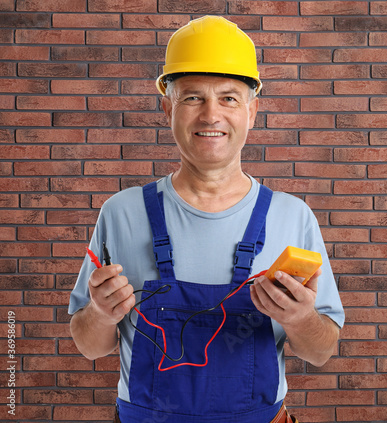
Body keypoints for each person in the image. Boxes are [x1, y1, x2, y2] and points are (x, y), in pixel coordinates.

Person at [67, 16, 344, 423]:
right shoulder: (121, 213)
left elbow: (320, 352)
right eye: (193, 97)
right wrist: (101, 314)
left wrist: (301, 319)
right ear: (168, 108)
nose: (211, 115)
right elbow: (90, 346)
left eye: (229, 98)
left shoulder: (293, 217)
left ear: (252, 111)